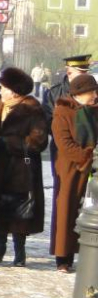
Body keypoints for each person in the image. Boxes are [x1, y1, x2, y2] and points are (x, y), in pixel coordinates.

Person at [0, 68, 47, 267]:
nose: (0, 90)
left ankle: (20, 252)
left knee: (20, 209)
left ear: (14, 90)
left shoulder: (32, 109)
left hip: (21, 169)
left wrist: (6, 143)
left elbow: (38, 141)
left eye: (3, 87)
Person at [42, 54, 91, 264]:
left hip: (87, 159)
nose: (83, 77)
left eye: (85, 74)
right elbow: (53, 128)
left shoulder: (92, 97)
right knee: (64, 203)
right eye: (79, 74)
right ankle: (63, 254)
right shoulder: (56, 94)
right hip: (65, 157)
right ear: (69, 72)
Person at [51, 73, 98, 273]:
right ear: (81, 93)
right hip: (71, 169)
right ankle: (64, 257)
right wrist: (87, 157)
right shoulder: (63, 112)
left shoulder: (95, 110)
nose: (95, 95)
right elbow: (64, 144)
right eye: (92, 92)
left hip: (93, 168)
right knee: (67, 212)